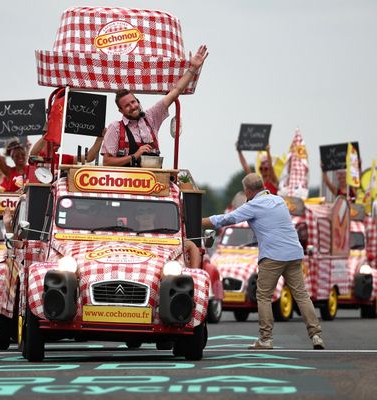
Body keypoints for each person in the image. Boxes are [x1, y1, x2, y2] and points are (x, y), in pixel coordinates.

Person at [201, 173, 325, 350]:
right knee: (301, 295)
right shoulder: (279, 201)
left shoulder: (253, 206)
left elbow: (226, 219)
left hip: (273, 255)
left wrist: (199, 221)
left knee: (264, 296)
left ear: (249, 191)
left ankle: (266, 339)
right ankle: (316, 335)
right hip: (294, 252)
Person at [101, 45, 209, 167]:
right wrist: (135, 156)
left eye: (133, 102)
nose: (132, 106)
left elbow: (176, 91)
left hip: (151, 181)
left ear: (138, 102)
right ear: (120, 111)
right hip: (125, 183)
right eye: (127, 106)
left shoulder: (151, 117)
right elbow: (106, 162)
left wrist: (193, 69)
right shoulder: (115, 128)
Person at [29, 128, 107, 165]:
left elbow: (88, 158)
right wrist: (50, 131)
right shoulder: (37, 157)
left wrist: (100, 139)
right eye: (55, 138)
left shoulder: (61, 159)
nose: (58, 142)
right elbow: (33, 154)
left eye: (59, 138)